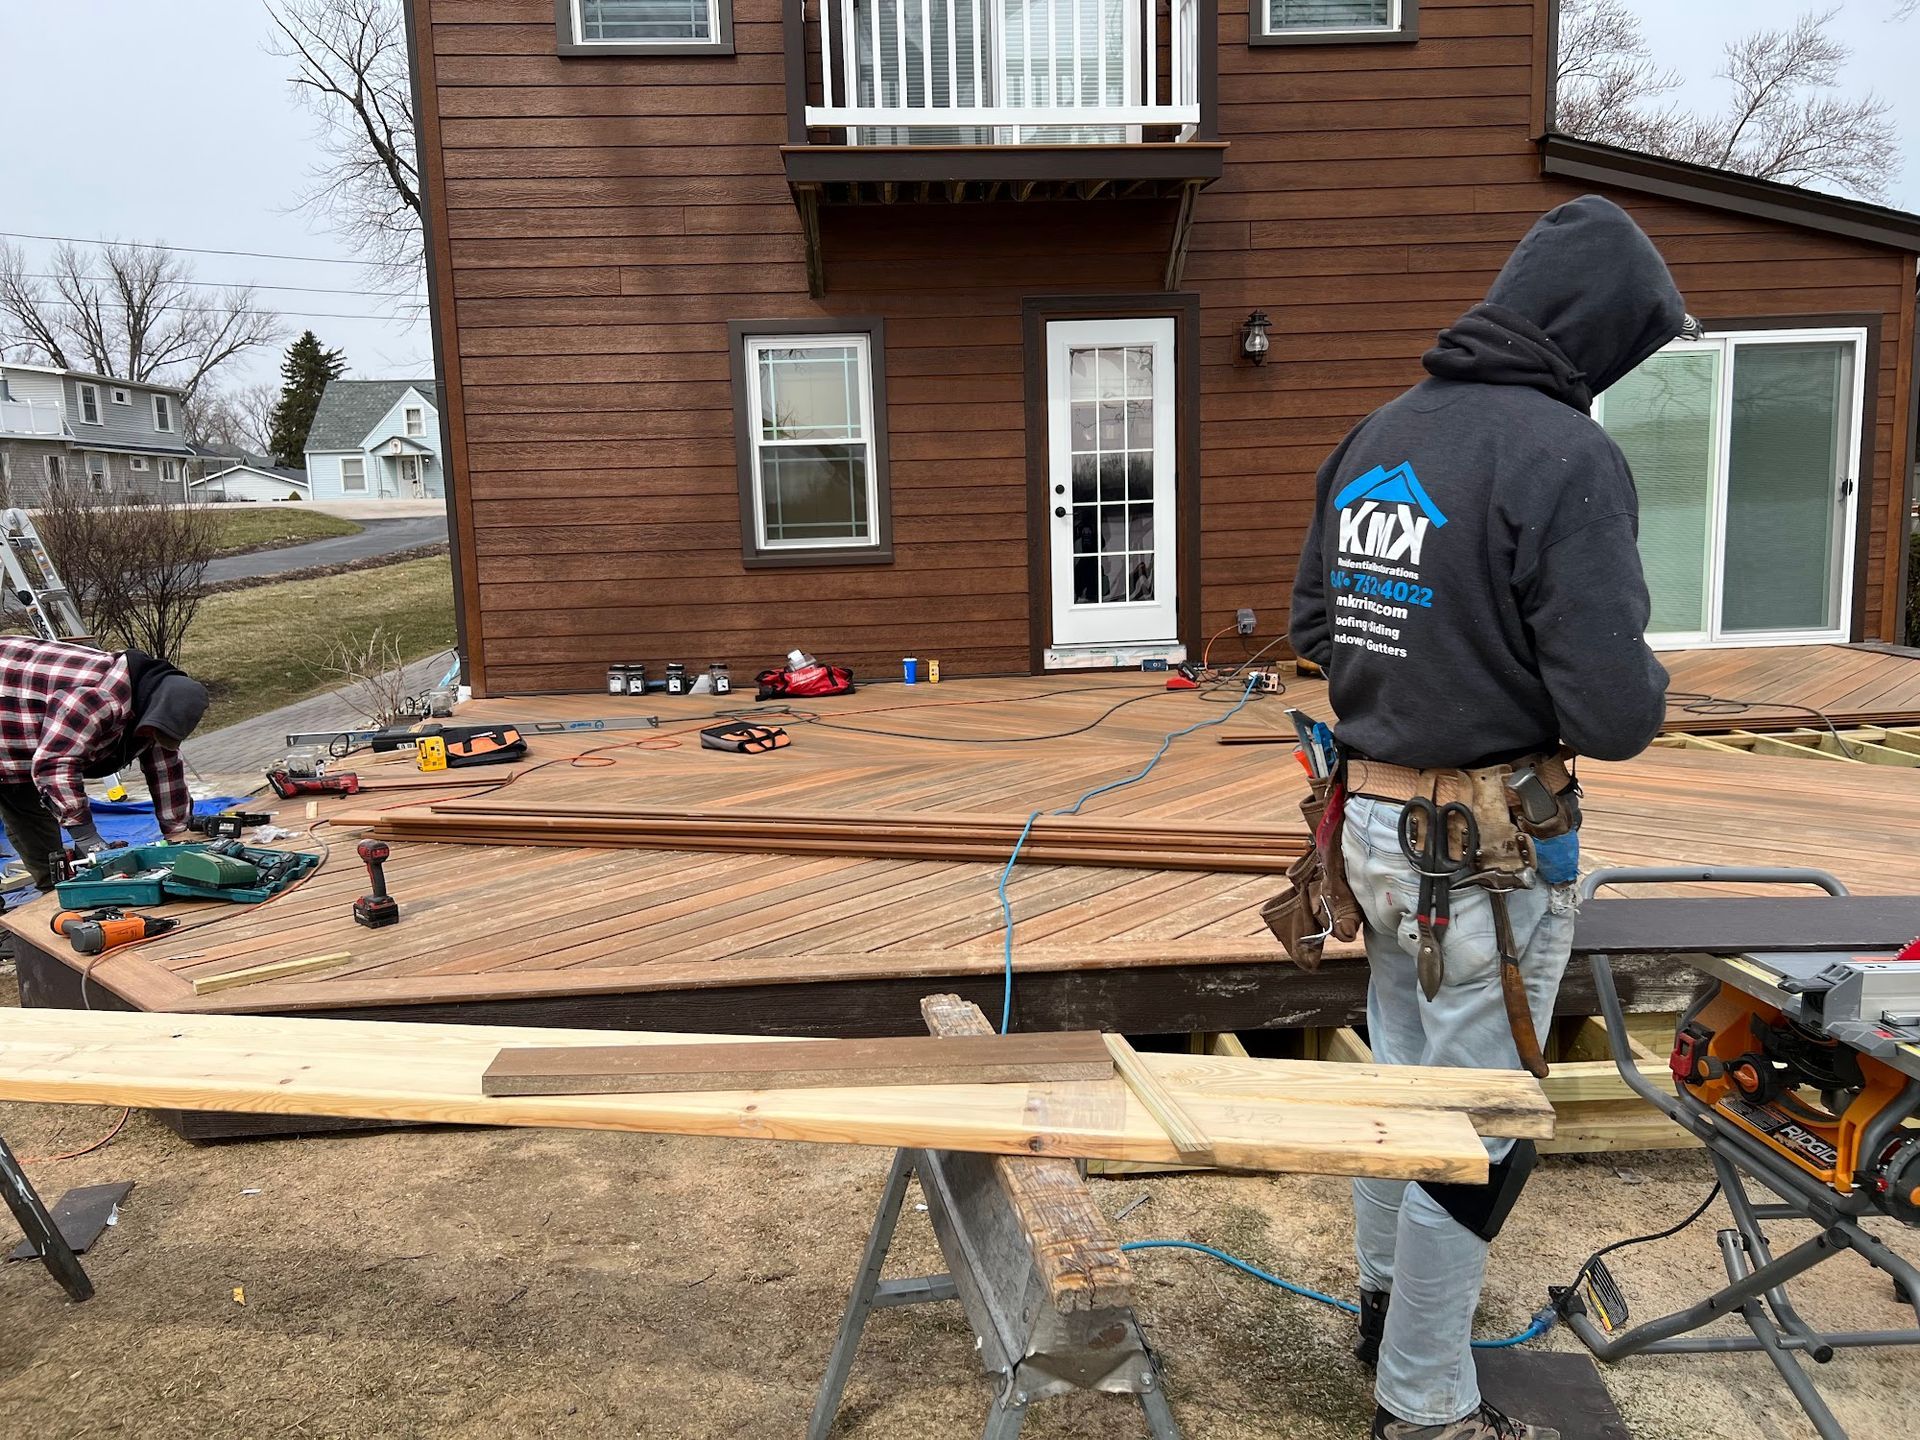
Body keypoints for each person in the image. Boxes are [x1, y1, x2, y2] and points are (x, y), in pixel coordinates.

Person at [1288, 195, 1678, 1440]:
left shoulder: (1380, 434)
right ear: (1595, 332)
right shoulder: (1564, 455)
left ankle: (1383, 1308)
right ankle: (1425, 1403)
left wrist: (1426, 659)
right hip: (1488, 858)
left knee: (1402, 1084)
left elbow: (1315, 628)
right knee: (1480, 1129)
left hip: (1375, 833)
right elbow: (1613, 711)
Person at [0, 635, 210, 890]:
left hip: (26, 727)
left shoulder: (154, 700)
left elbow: (165, 769)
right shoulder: (96, 698)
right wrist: (88, 839)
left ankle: (60, 890)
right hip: (10, 711)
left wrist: (179, 835)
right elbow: (55, 767)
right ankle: (38, 903)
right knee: (25, 807)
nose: (148, 738)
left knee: (43, 827)